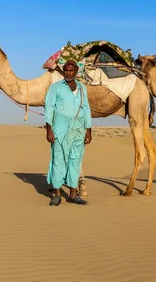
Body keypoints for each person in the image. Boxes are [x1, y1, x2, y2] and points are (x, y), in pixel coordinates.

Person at [44, 59, 92, 206]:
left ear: (76, 72)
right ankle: (57, 194)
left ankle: (73, 193)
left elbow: (86, 109)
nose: (68, 73)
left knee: (75, 161)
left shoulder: (82, 88)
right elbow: (49, 108)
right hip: (60, 131)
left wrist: (88, 130)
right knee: (58, 161)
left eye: (71, 71)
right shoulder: (56, 88)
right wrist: (49, 129)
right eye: (66, 70)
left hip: (78, 131)